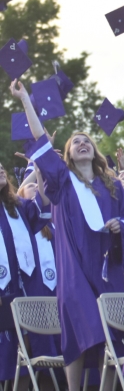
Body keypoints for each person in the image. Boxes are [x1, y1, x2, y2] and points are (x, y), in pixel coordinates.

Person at [11, 80, 124, 391]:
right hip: (74, 271)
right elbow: (40, 140)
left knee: (113, 335)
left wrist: (121, 226)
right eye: (74, 141)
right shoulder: (62, 181)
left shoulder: (113, 187)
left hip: (107, 269)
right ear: (67, 153)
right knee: (81, 330)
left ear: (94, 151)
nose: (81, 143)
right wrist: (25, 98)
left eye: (86, 140)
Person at [0, 161, 57, 389]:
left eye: (2, 168)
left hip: (29, 283)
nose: (1, 171)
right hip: (4, 288)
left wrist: (40, 174)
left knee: (33, 343)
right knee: (9, 349)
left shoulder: (18, 206)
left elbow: (43, 209)